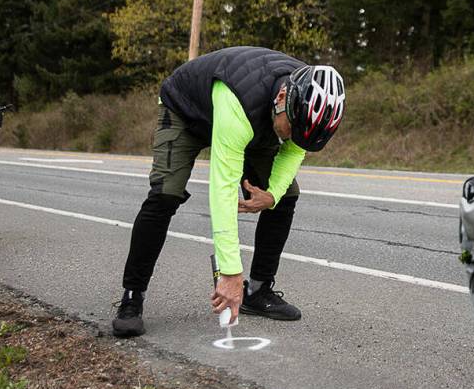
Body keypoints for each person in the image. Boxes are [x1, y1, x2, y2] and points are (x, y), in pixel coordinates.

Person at [112, 46, 345, 337]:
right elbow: (222, 189)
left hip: (257, 119)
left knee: (285, 197)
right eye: (292, 129)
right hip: (185, 110)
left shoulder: (301, 104)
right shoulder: (240, 102)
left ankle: (258, 292)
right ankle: (132, 297)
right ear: (283, 98)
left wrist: (271, 194)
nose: (291, 139)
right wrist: (230, 273)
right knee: (165, 195)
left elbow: (293, 152)